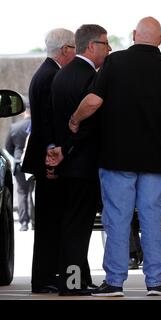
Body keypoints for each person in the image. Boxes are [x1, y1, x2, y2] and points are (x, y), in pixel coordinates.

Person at [68, 16, 161, 297]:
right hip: (156, 157)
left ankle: (115, 282)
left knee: (117, 219)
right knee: (152, 218)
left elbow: (94, 101)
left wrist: (74, 119)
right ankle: (155, 282)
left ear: (134, 35)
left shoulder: (115, 62)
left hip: (117, 156)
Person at [45, 24, 111, 296]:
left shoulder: (64, 74)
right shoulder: (89, 77)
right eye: (105, 44)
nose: (109, 49)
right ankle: (72, 283)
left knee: (74, 224)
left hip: (69, 162)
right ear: (91, 46)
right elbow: (91, 123)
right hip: (83, 163)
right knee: (78, 228)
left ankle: (80, 278)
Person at [21, 28, 76, 294]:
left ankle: (45, 276)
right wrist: (52, 157)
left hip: (45, 159)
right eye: (75, 48)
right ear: (65, 49)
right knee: (50, 222)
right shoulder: (52, 75)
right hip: (48, 161)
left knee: (49, 221)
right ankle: (44, 277)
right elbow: (47, 123)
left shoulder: (45, 72)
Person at [5, 107, 34, 231]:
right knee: (33, 192)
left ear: (24, 113)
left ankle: (23, 223)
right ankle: (34, 221)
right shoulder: (37, 125)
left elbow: (8, 147)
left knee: (22, 192)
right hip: (34, 163)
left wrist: (16, 158)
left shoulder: (15, 127)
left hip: (19, 163)